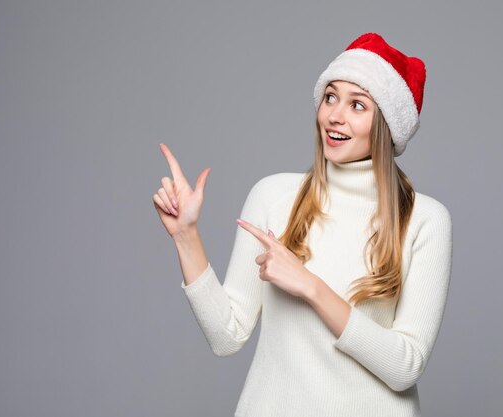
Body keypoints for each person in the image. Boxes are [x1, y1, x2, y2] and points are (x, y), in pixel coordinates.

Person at [153, 32, 453, 417]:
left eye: (357, 105)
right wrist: (185, 237)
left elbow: (405, 366)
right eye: (330, 97)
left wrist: (310, 286)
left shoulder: (424, 220)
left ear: (387, 125)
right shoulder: (274, 196)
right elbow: (226, 336)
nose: (335, 115)